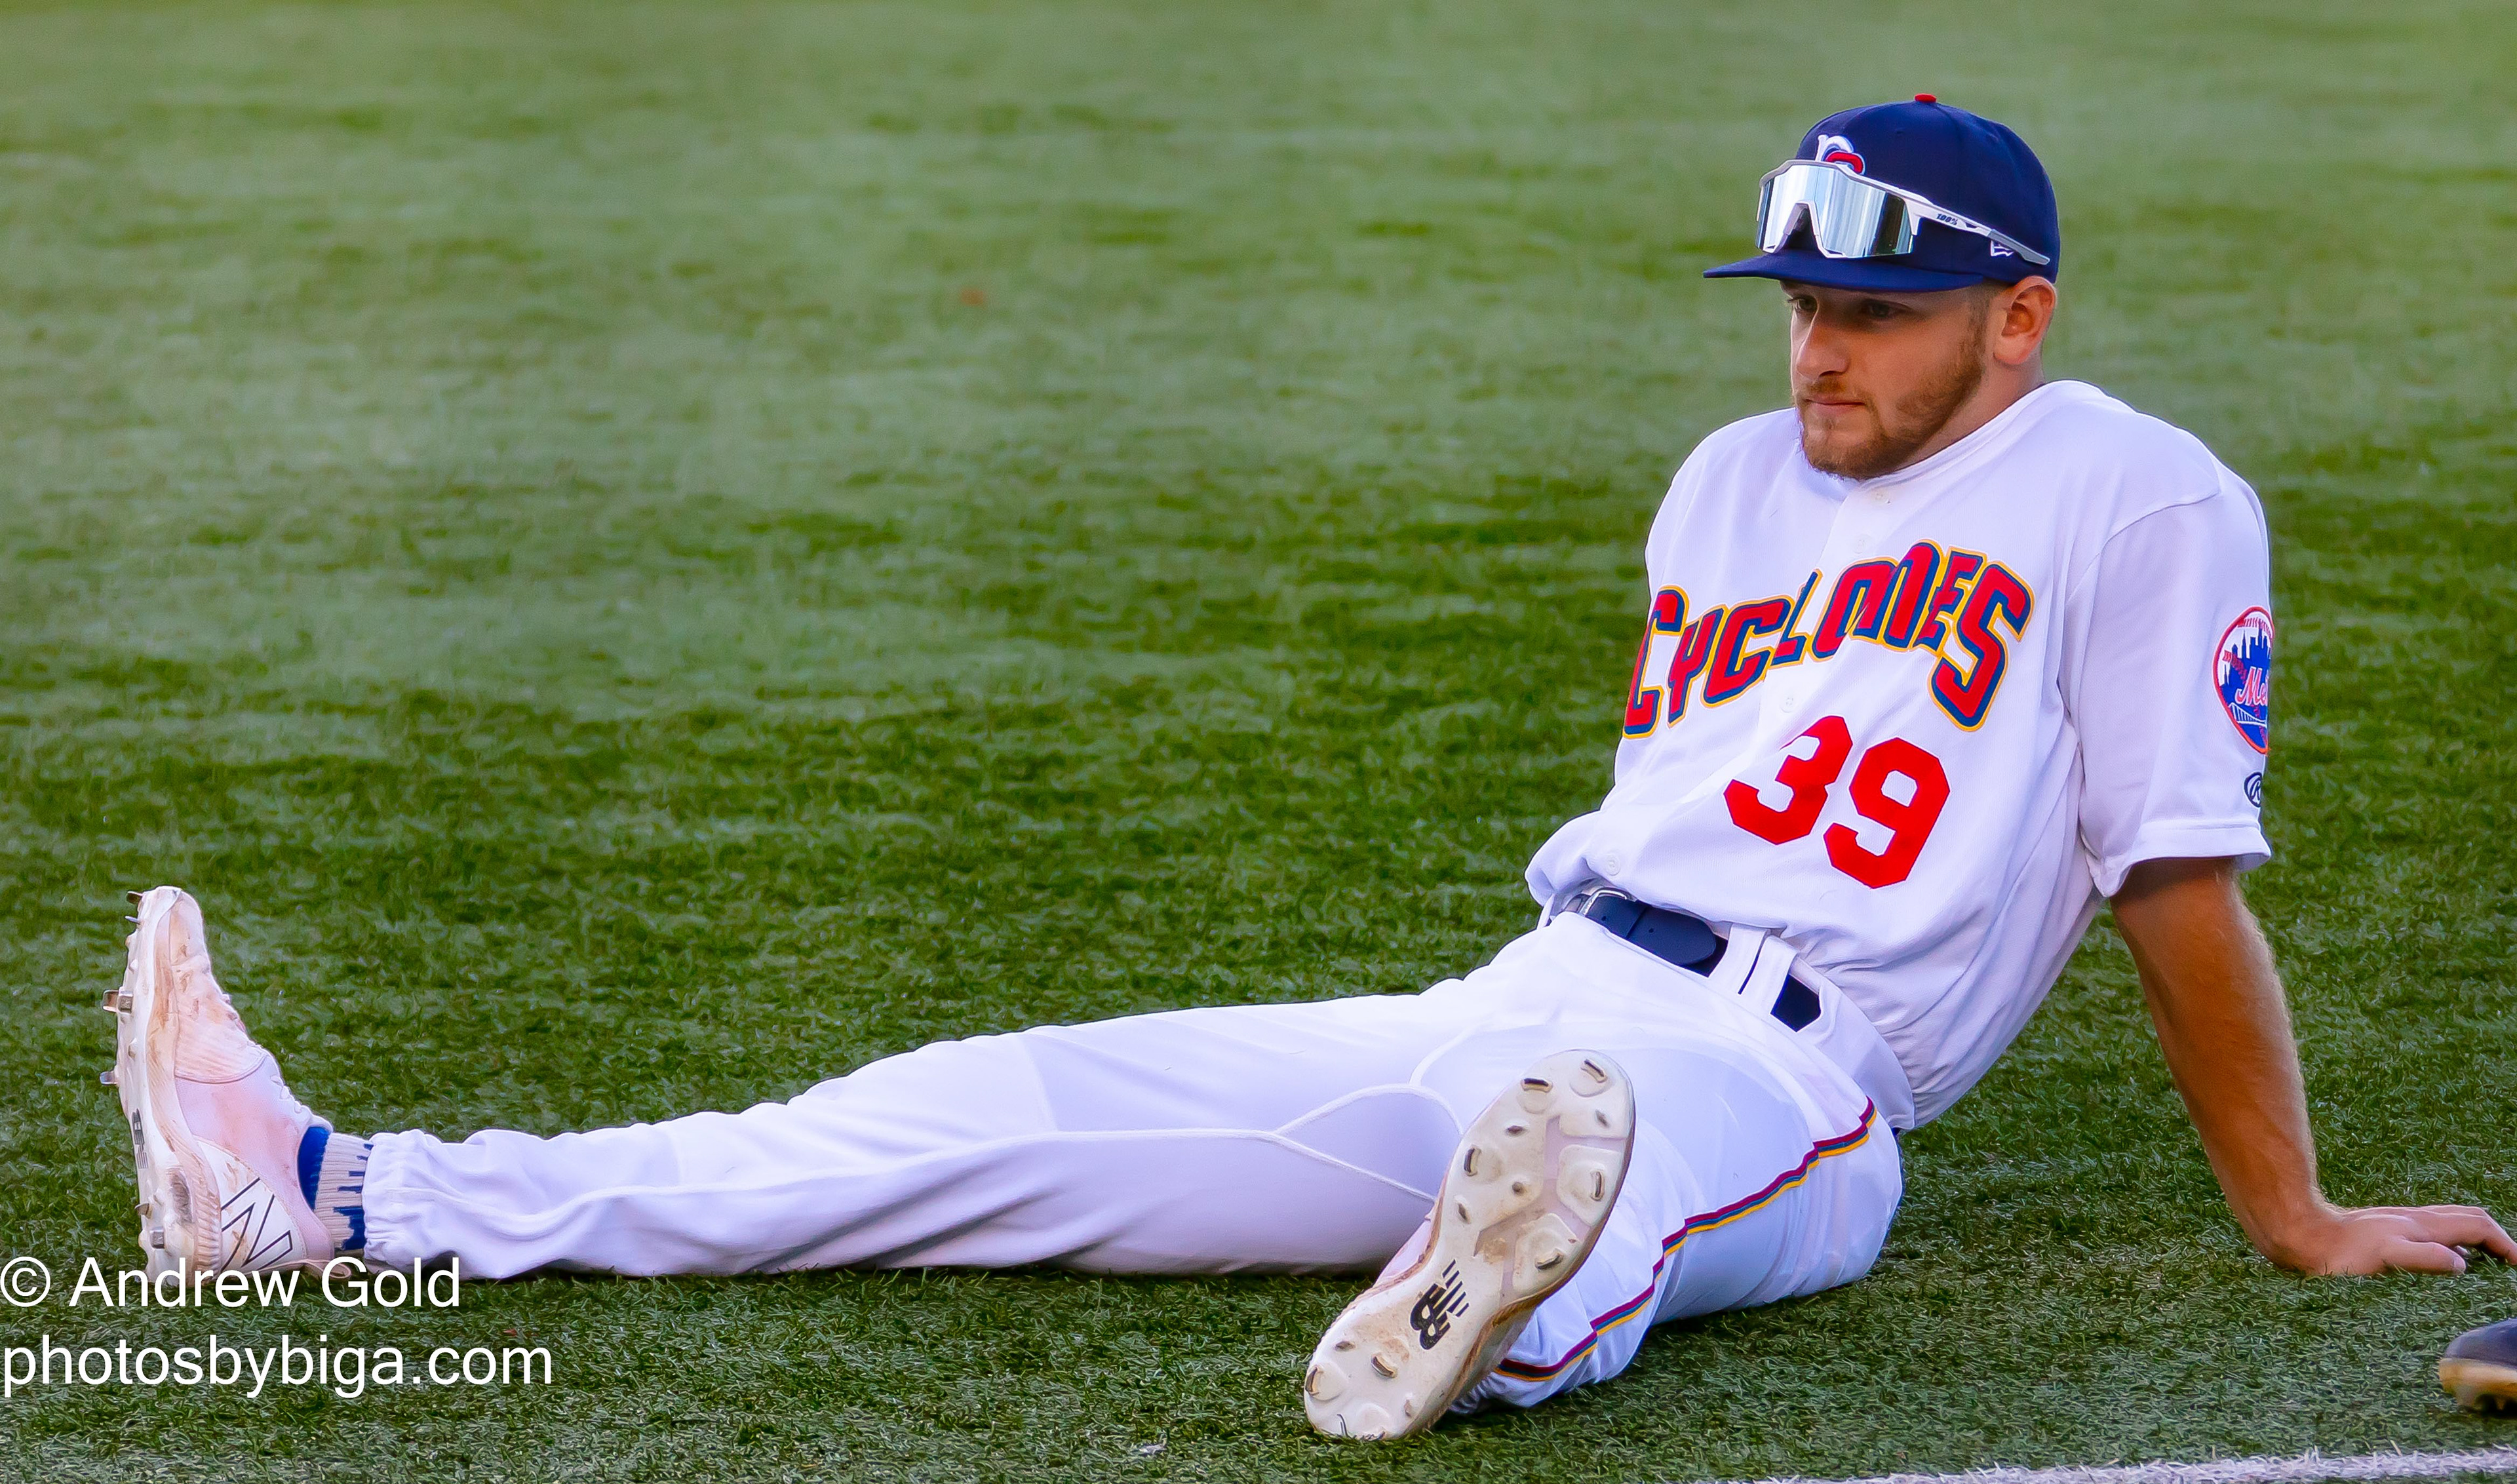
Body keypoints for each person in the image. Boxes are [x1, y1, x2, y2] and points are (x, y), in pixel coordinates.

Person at [98, 98, 2514, 1441]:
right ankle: (330, 1198)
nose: (1820, 356)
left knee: (1630, 1171)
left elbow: (2171, 873)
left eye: (1875, 313)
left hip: (1811, 1076)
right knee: (973, 1116)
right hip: (1524, 994)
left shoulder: (2138, 486)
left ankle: (1492, 1310)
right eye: (1799, 305)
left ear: (2021, 314)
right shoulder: (1723, 483)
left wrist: (2294, 1220)